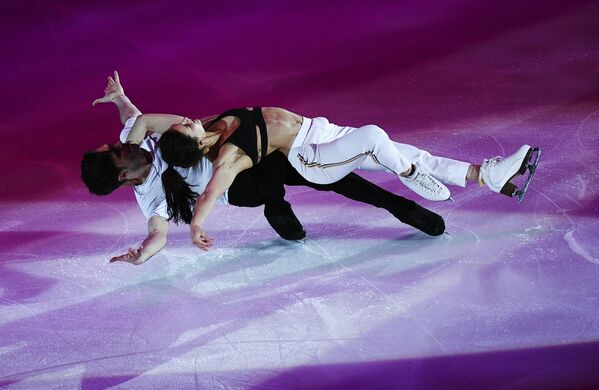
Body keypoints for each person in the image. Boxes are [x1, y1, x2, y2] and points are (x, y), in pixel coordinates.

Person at [81, 72, 446, 264]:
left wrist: (121, 98)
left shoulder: (135, 140)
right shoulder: (150, 197)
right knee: (274, 176)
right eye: (115, 151)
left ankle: (403, 207)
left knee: (330, 177)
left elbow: (134, 118)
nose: (120, 143)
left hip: (236, 157)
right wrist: (141, 254)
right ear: (123, 176)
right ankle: (276, 205)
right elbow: (158, 233)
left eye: (114, 143)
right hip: (236, 189)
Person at [129, 105, 539, 250]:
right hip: (312, 158)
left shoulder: (203, 124)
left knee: (403, 149)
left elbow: (144, 120)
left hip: (321, 130)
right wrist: (197, 226)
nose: (184, 118)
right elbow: (211, 194)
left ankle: (487, 175)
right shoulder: (227, 158)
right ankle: (410, 176)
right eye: (185, 126)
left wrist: (121, 101)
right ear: (195, 146)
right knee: (377, 139)